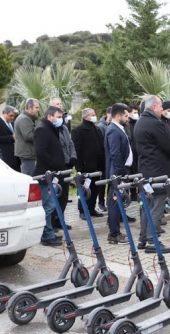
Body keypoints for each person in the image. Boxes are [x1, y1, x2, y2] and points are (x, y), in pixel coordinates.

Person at [134, 95, 170, 253]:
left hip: (145, 171)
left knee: (147, 206)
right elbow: (167, 145)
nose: (162, 110)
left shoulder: (140, 123)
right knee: (157, 207)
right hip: (158, 172)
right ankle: (152, 242)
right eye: (160, 107)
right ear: (153, 107)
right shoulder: (155, 123)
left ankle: (143, 239)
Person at [33, 106, 67, 247]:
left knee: (51, 205)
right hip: (45, 175)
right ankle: (46, 236)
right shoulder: (42, 129)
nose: (61, 119)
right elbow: (41, 152)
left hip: (52, 174)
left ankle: (49, 232)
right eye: (58, 117)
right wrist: (54, 164)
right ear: (49, 116)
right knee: (48, 206)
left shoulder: (52, 129)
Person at [104, 103, 133, 245]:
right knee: (115, 203)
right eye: (126, 116)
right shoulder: (113, 131)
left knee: (117, 202)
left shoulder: (119, 129)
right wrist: (121, 172)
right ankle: (114, 234)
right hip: (118, 173)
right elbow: (115, 153)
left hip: (122, 172)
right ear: (118, 116)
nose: (128, 118)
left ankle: (114, 232)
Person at [71, 108, 105, 220]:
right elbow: (77, 149)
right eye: (92, 114)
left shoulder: (96, 129)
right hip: (86, 165)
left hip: (97, 164)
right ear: (86, 117)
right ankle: (82, 210)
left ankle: (91, 208)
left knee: (95, 188)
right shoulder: (78, 131)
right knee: (85, 188)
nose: (95, 116)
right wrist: (79, 165)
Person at [50, 98, 77, 230]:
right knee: (54, 195)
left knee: (64, 195)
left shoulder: (64, 129)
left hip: (66, 166)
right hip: (55, 168)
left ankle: (60, 219)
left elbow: (70, 144)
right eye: (58, 115)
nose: (61, 117)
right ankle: (52, 221)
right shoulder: (47, 129)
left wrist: (73, 157)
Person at [15, 98, 40, 176]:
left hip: (28, 153)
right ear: (29, 108)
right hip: (27, 154)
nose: (38, 110)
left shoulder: (27, 118)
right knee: (30, 178)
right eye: (36, 107)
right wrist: (41, 136)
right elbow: (28, 136)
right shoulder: (24, 119)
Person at [0, 106, 20, 171]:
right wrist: (11, 137)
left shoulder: (12, 123)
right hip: (6, 157)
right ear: (4, 113)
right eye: (11, 115)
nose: (12, 118)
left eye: (14, 116)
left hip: (15, 156)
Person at [96, 106, 111, 213]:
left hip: (111, 159)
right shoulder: (101, 127)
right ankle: (101, 201)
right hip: (104, 158)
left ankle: (109, 200)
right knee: (103, 181)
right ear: (107, 114)